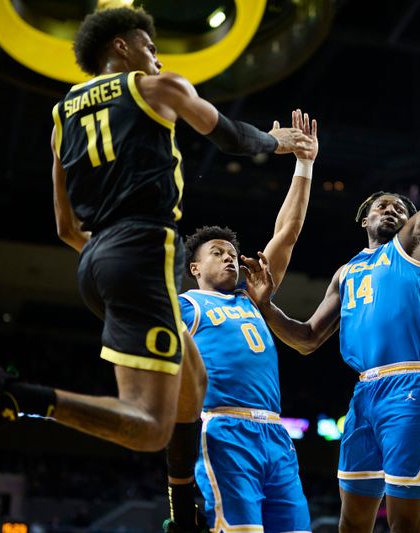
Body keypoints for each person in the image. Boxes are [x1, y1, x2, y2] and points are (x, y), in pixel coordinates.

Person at [0, 6, 312, 472]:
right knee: (150, 427)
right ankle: (12, 394)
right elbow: (234, 137)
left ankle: (183, 512)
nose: (157, 58)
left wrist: (110, 255)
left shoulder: (61, 118)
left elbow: (65, 227)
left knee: (193, 383)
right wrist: (277, 140)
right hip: (142, 251)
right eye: (150, 47)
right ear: (122, 45)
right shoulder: (158, 87)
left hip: (95, 260)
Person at [243, 32, 420, 533]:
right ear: (363, 218)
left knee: (406, 523)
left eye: (401, 207)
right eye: (382, 205)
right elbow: (304, 340)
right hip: (364, 395)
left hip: (413, 384)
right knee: (352, 524)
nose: (393, 209)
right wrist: (264, 305)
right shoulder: (346, 273)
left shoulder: (413, 244)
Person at [170, 109, 317, 533]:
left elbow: (286, 232)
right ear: (194, 268)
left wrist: (304, 163)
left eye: (231, 251)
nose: (229, 255)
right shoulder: (187, 304)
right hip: (224, 430)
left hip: (276, 435)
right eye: (216, 252)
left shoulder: (254, 297)